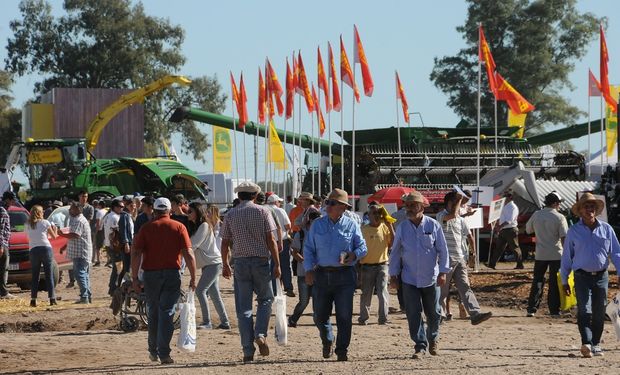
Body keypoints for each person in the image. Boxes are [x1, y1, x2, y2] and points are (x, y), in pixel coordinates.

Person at [304, 188, 368, 362]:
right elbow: (308, 249)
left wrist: (354, 255)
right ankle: (327, 339)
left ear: (342, 207)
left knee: (344, 316)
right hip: (322, 275)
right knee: (319, 316)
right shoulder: (317, 224)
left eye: (332, 203)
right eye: (327, 203)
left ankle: (342, 350)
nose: (328, 206)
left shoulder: (352, 224)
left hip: (345, 276)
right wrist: (308, 269)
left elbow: (362, 247)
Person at [131, 197, 196, 365]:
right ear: (169, 210)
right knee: (167, 312)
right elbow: (188, 254)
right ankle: (164, 354)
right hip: (171, 274)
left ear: (154, 210)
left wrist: (134, 278)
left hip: (151, 275)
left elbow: (136, 253)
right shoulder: (179, 227)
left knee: (152, 312)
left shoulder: (146, 228)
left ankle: (153, 351)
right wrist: (194, 277)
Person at [221, 181, 280, 363]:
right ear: (255, 196)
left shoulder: (231, 214)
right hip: (261, 261)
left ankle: (247, 350)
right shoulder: (263, 211)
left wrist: (225, 264)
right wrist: (277, 264)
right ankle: (260, 333)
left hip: (240, 263)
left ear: (239, 196)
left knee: (243, 308)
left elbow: (225, 242)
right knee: (266, 299)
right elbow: (271, 239)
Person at [389, 191, 450, 359]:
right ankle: (420, 345)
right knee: (413, 313)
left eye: (413, 205)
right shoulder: (402, 227)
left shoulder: (433, 225)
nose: (409, 208)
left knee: (434, 312)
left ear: (422, 207)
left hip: (431, 277)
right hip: (409, 278)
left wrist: (443, 272)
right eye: (407, 205)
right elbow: (395, 253)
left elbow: (443, 250)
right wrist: (393, 275)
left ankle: (433, 338)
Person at [560, 192, 620, 358]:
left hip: (602, 276)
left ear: (596, 210)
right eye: (586, 207)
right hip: (581, 277)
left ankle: (596, 344)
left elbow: (616, 253)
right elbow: (566, 257)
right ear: (580, 211)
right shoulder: (573, 231)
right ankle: (586, 343)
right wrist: (565, 281)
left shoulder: (607, 229)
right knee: (584, 311)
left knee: (600, 311)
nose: (589, 209)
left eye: (592, 206)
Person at [436, 191, 492, 325]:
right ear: (448, 203)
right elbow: (452, 215)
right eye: (454, 201)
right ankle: (439, 315)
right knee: (442, 291)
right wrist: (459, 200)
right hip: (445, 259)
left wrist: (473, 253)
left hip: (460, 258)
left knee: (465, 287)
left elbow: (470, 236)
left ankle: (475, 313)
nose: (457, 204)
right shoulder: (441, 216)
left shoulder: (461, 220)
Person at [525, 191, 568, 317]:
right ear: (555, 203)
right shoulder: (560, 217)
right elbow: (564, 237)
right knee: (554, 282)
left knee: (538, 280)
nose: (559, 205)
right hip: (556, 254)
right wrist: (568, 254)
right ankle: (554, 310)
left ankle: (531, 308)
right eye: (559, 203)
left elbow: (528, 230)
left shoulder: (536, 214)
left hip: (540, 254)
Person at [188, 201, 230, 330]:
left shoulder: (204, 226)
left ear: (197, 212)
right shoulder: (199, 225)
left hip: (213, 263)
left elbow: (193, 244)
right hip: (210, 264)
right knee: (214, 294)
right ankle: (225, 322)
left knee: (200, 291)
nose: (188, 213)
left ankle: (207, 322)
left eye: (190, 211)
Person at [358, 204, 394, 325]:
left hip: (382, 265)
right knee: (366, 293)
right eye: (374, 213)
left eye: (379, 212)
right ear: (368, 215)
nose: (377, 215)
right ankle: (363, 318)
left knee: (383, 292)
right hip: (367, 266)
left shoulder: (384, 227)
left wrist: (389, 222)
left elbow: (392, 242)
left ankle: (383, 318)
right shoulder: (363, 229)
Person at [288, 207, 321, 328]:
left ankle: (319, 322)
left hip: (319, 271)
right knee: (304, 301)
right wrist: (305, 261)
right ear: (308, 220)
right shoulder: (301, 234)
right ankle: (293, 319)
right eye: (314, 219)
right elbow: (294, 251)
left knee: (318, 300)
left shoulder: (322, 234)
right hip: (303, 272)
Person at [59, 202, 93, 304]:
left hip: (81, 253)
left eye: (71, 208)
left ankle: (84, 297)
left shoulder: (79, 220)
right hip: (80, 252)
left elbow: (75, 235)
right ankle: (87, 295)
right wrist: (64, 246)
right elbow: (74, 237)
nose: (70, 210)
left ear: (78, 209)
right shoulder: (76, 220)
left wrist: (61, 234)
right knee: (84, 274)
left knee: (80, 274)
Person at [25, 205, 58, 307]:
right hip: (45, 248)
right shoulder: (45, 222)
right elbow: (54, 237)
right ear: (40, 213)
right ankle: (52, 299)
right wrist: (55, 229)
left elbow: (28, 237)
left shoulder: (27, 224)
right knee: (49, 274)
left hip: (33, 249)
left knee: (35, 275)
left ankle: (33, 299)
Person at [267, 194, 294, 296]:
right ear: (276, 202)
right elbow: (288, 225)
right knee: (285, 265)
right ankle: (288, 287)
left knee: (271, 266)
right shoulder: (280, 211)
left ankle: (274, 289)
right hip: (282, 240)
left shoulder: (264, 210)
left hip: (269, 242)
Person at [488, 191, 523, 269]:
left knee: (514, 247)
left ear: (510, 198)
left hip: (511, 229)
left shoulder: (513, 207)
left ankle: (520, 264)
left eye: (506, 197)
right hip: (504, 229)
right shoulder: (505, 206)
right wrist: (498, 225)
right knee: (499, 247)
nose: (504, 198)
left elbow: (509, 220)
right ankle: (492, 264)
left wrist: (499, 227)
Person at [104, 199, 123, 295]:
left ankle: (113, 287)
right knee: (118, 267)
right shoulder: (115, 217)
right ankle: (113, 288)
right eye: (120, 207)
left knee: (117, 267)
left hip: (109, 245)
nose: (121, 208)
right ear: (114, 207)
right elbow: (116, 232)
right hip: (114, 246)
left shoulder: (108, 216)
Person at [117, 196, 136, 286]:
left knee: (128, 266)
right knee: (126, 266)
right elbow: (123, 230)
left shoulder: (129, 216)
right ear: (127, 206)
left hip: (131, 243)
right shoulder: (124, 216)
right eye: (132, 206)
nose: (133, 207)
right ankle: (120, 284)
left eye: (134, 206)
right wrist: (126, 243)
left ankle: (121, 283)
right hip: (127, 244)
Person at [0, 191, 15, 299]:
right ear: (8, 200)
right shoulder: (2, 211)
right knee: (3, 268)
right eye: (12, 200)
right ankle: (4, 293)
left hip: (4, 243)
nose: (13, 202)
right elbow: (0, 230)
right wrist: (1, 246)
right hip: (2, 244)